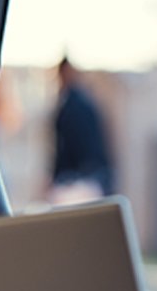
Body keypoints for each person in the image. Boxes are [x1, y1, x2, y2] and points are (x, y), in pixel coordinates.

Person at [48, 56, 115, 204]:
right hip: (87, 178)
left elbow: (67, 148)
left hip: (81, 180)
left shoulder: (74, 106)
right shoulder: (80, 103)